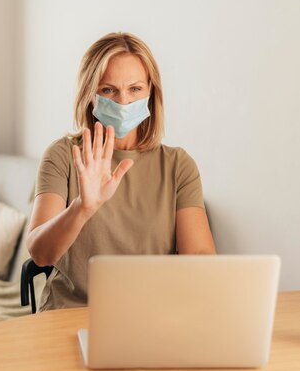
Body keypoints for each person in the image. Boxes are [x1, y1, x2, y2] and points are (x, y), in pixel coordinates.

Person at [26, 32, 216, 311]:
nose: (123, 101)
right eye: (108, 90)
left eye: (135, 89)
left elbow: (199, 256)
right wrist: (82, 207)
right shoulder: (63, 155)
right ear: (90, 95)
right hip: (72, 314)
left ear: (151, 91)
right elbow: (41, 255)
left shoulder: (178, 165)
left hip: (152, 317)